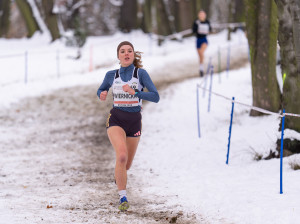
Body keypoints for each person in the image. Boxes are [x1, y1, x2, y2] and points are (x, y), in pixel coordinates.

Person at [96, 41, 160, 211]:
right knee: (122, 156)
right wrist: (101, 93)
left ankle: (119, 174)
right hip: (116, 118)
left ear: (133, 55)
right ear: (118, 56)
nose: (126, 54)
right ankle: (122, 197)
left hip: (134, 121)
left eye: (129, 51)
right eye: (122, 51)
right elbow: (101, 89)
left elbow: (155, 96)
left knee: (127, 165)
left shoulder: (141, 74)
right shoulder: (111, 75)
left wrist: (136, 93)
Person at [192, 10, 212, 77]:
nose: (202, 15)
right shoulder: (196, 22)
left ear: (205, 15)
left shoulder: (207, 22)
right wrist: (197, 26)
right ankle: (201, 68)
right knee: (200, 56)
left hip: (204, 39)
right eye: (200, 14)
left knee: (201, 52)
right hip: (198, 40)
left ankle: (202, 68)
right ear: (199, 15)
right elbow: (193, 30)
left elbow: (210, 29)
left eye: (203, 14)